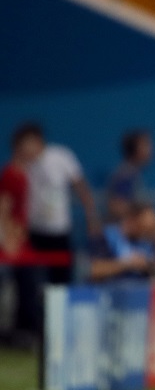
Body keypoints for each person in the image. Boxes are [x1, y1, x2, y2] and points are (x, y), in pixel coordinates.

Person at [19, 122, 101, 284]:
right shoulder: (23, 165)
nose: (24, 149)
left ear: (37, 140)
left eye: (26, 143)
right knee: (30, 278)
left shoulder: (60, 156)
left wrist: (91, 217)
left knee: (61, 278)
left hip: (58, 230)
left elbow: (81, 187)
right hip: (33, 231)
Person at [0, 125, 42, 339]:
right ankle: (18, 332)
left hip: (21, 238)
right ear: (19, 145)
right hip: (13, 241)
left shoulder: (26, 174)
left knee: (27, 285)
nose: (37, 148)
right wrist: (8, 239)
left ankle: (23, 331)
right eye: (31, 142)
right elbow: (4, 207)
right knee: (20, 286)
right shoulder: (11, 174)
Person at [87, 202, 155, 282]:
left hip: (139, 291)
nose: (146, 232)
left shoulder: (147, 243)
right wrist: (127, 264)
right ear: (132, 220)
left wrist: (149, 268)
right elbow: (92, 270)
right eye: (143, 227)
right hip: (108, 291)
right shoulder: (106, 236)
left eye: (149, 228)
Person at [106, 129, 154, 223]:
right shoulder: (126, 175)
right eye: (146, 145)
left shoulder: (133, 173)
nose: (150, 149)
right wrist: (142, 211)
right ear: (136, 149)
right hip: (121, 233)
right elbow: (116, 206)